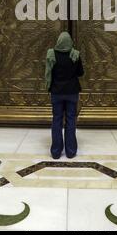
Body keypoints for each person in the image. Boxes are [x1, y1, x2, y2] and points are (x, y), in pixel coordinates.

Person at [45, 31, 84, 159]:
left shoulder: (52, 54)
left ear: (59, 41)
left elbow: (48, 73)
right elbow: (80, 73)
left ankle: (56, 152)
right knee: (71, 120)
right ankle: (71, 151)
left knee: (56, 120)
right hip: (72, 92)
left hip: (56, 92)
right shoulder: (75, 55)